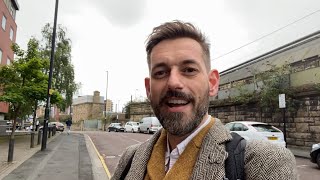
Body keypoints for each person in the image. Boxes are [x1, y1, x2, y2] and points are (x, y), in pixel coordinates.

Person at [111, 20, 297, 180]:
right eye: (160, 72)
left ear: (212, 83)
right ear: (149, 89)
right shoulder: (130, 158)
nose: (173, 83)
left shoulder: (264, 162)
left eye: (189, 70)